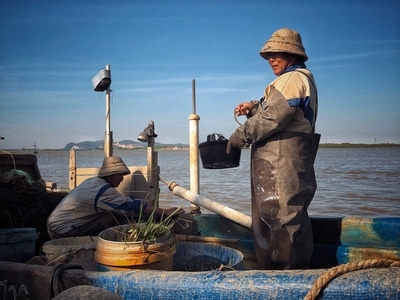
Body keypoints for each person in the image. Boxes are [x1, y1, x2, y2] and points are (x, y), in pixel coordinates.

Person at [227, 28, 320, 269]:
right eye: (269, 55)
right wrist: (253, 106)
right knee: (282, 217)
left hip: (283, 163)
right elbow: (276, 109)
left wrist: (239, 136)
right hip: (283, 161)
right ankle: (291, 272)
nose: (271, 59)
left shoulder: (293, 78)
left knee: (281, 220)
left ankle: (285, 278)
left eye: (277, 53)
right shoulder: (295, 80)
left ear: (292, 54)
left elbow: (273, 117)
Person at [47, 156, 184, 239]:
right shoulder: (103, 191)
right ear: (112, 174)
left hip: (55, 225)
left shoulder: (92, 182)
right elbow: (131, 206)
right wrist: (164, 212)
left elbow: (124, 201)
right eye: (121, 175)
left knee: (111, 214)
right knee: (109, 218)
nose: (122, 178)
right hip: (62, 230)